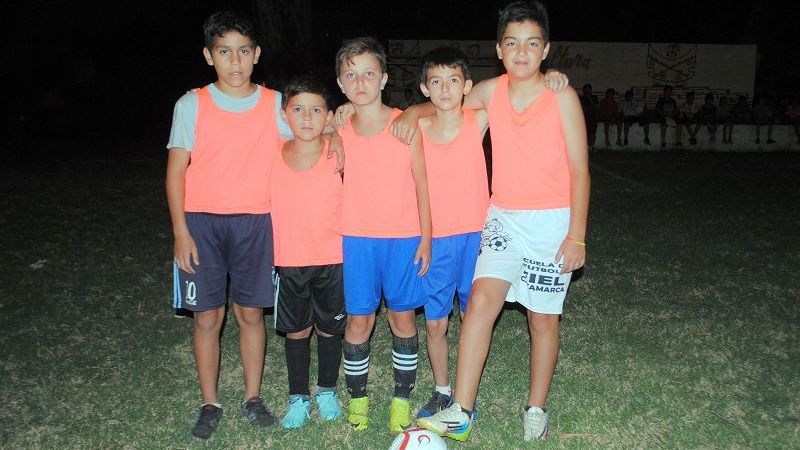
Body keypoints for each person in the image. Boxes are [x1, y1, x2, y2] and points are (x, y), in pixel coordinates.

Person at [393, 0, 588, 443]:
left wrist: (577, 235)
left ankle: (536, 406)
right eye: (512, 43)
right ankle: (460, 410)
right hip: (502, 216)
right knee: (481, 302)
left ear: (546, 49)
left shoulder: (562, 96)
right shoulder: (489, 91)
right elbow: (443, 105)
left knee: (542, 319)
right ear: (499, 50)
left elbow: (580, 168)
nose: (522, 52)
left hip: (551, 222)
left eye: (532, 43)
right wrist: (408, 112)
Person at [166, 10, 285, 440]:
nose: (234, 62)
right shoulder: (191, 103)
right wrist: (181, 231)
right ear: (208, 55)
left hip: (257, 222)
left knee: (250, 313)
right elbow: (176, 171)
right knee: (206, 317)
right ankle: (209, 402)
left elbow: (305, 144)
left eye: (242, 52)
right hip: (201, 225)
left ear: (256, 54)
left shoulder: (275, 104)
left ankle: (253, 397)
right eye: (224, 52)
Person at [334, 37, 432, 433]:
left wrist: (426, 237)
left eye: (369, 73)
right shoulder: (337, 126)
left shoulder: (404, 125)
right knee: (359, 321)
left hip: (404, 237)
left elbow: (423, 184)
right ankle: (358, 398)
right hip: (357, 239)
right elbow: (294, 114)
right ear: (340, 84)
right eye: (351, 75)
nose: (360, 82)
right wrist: (330, 123)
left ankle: (400, 399)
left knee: (402, 317)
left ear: (384, 78)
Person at [413, 47, 490, 420]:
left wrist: (550, 78)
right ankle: (442, 389)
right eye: (437, 82)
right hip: (435, 239)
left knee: (472, 315)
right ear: (424, 88)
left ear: (467, 86)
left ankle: (464, 390)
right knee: (434, 321)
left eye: (454, 81)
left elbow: (512, 89)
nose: (445, 89)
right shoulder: (417, 128)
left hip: (477, 236)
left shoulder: (478, 120)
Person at [270, 74, 345, 429]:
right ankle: (297, 397)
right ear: (284, 113)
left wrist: (337, 134)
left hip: (334, 257)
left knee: (330, 328)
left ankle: (327, 390)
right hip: (291, 260)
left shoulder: (337, 150)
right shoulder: (273, 152)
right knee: (297, 330)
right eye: (297, 109)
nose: (307, 117)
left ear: (328, 115)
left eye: (316, 110)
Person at [580, 84, 599, 151]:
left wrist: (590, 98)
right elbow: (581, 108)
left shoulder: (594, 98)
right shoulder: (581, 98)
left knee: (592, 133)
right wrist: (590, 108)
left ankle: (592, 146)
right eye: (586, 90)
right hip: (584, 118)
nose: (587, 91)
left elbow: (596, 107)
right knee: (585, 133)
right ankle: (586, 147)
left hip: (593, 118)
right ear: (583, 91)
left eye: (589, 90)